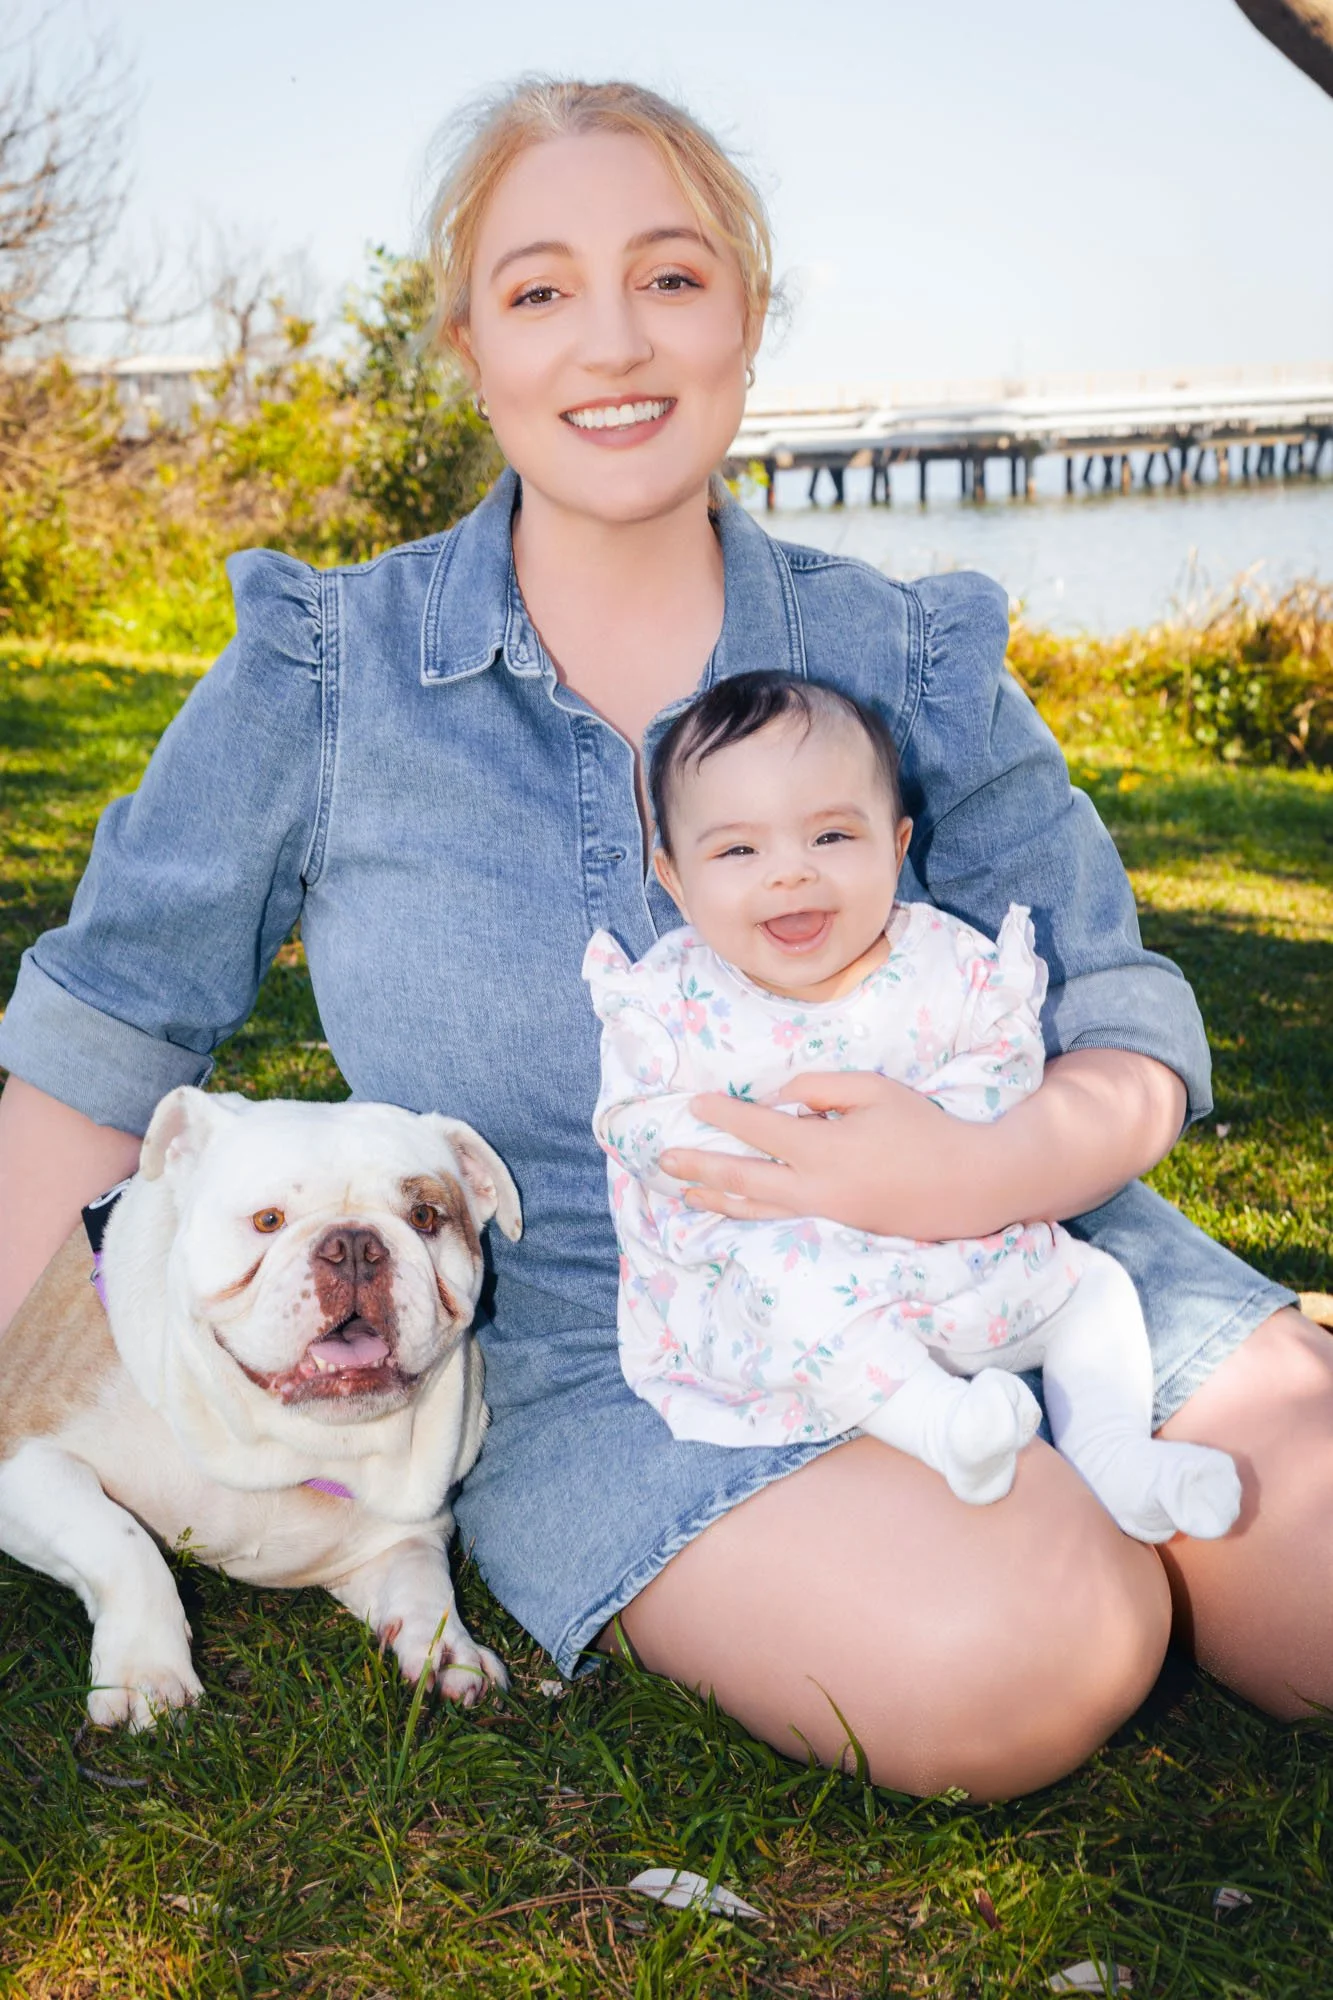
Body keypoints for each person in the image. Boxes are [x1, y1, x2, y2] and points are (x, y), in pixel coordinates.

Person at [0, 78, 1329, 1801]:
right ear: (465, 337)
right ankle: (1065, 1532)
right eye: (540, 288)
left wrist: (978, 1166)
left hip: (1023, 1252)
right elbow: (101, 1033)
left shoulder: (910, 650)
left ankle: (1151, 1480)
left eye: (673, 276)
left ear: (748, 315)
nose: (610, 339)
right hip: (624, 1353)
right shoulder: (322, 673)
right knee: (1030, 1647)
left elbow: (1123, 1020)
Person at [584, 670, 1242, 1541]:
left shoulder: (944, 961)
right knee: (790, 1289)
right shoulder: (668, 999)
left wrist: (930, 1142)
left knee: (1094, 1288)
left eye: (830, 834)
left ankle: (1113, 1450)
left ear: (896, 848)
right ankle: (938, 1426)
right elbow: (634, 1123)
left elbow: (1004, 1065)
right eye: (738, 852)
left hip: (957, 1244)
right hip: (781, 1270)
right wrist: (801, 1151)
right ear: (672, 878)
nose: (790, 873)